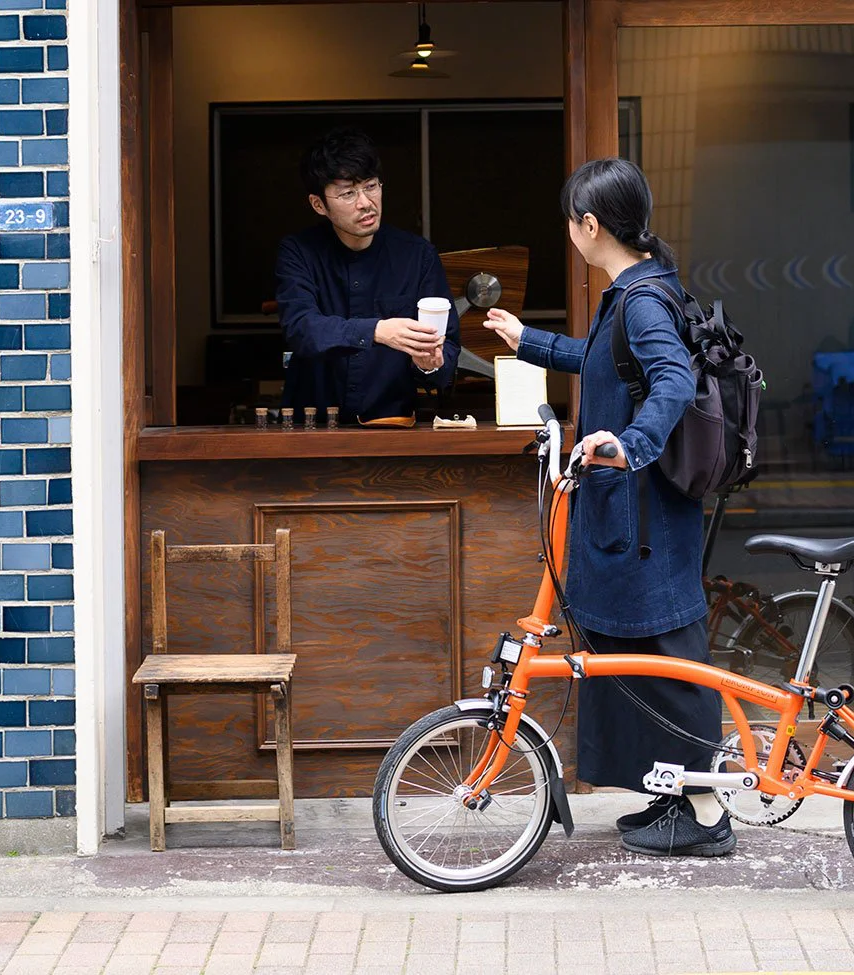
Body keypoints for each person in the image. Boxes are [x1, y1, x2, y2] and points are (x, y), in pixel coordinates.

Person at [483, 157, 733, 858]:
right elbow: (601, 358)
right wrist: (526, 340)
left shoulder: (642, 299)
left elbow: (672, 379)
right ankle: (676, 792)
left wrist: (629, 444)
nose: (570, 232)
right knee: (637, 654)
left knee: (668, 658)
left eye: (570, 221)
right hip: (638, 518)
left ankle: (708, 810)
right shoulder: (638, 289)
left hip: (644, 520)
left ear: (589, 226)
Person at [274, 128, 460, 424]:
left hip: (390, 426)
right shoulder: (299, 252)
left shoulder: (417, 255)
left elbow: (446, 345)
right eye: (348, 193)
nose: (365, 202)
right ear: (318, 204)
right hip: (311, 428)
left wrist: (429, 364)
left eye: (371, 186)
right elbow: (302, 329)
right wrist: (377, 331)